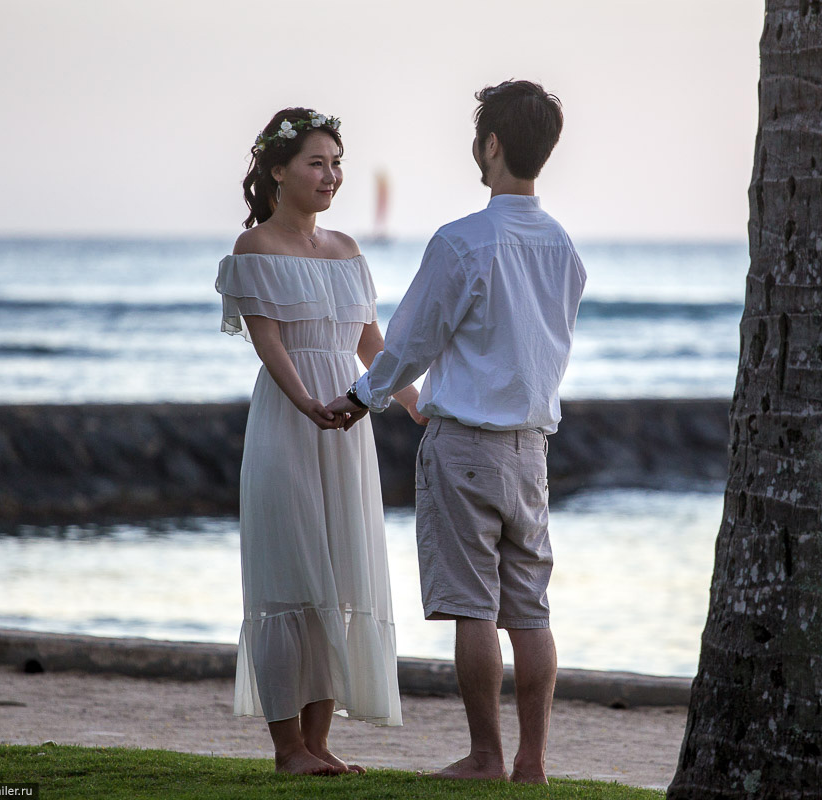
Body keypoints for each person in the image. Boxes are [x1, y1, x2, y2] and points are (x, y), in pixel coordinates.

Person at [327, 80, 586, 784]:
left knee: (474, 607)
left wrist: (361, 397)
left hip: (467, 445)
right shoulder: (564, 248)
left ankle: (485, 757)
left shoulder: (463, 241)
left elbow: (409, 342)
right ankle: (531, 763)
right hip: (531, 450)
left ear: (492, 144)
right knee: (529, 611)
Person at [216, 107, 424, 776]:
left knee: (334, 579)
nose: (331, 175)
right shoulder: (256, 248)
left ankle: (319, 744)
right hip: (288, 421)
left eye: (337, 163)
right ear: (277, 171)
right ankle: (286, 750)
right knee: (287, 579)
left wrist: (418, 404)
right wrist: (305, 400)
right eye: (317, 162)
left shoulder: (347, 251)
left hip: (346, 426)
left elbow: (372, 344)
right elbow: (268, 339)